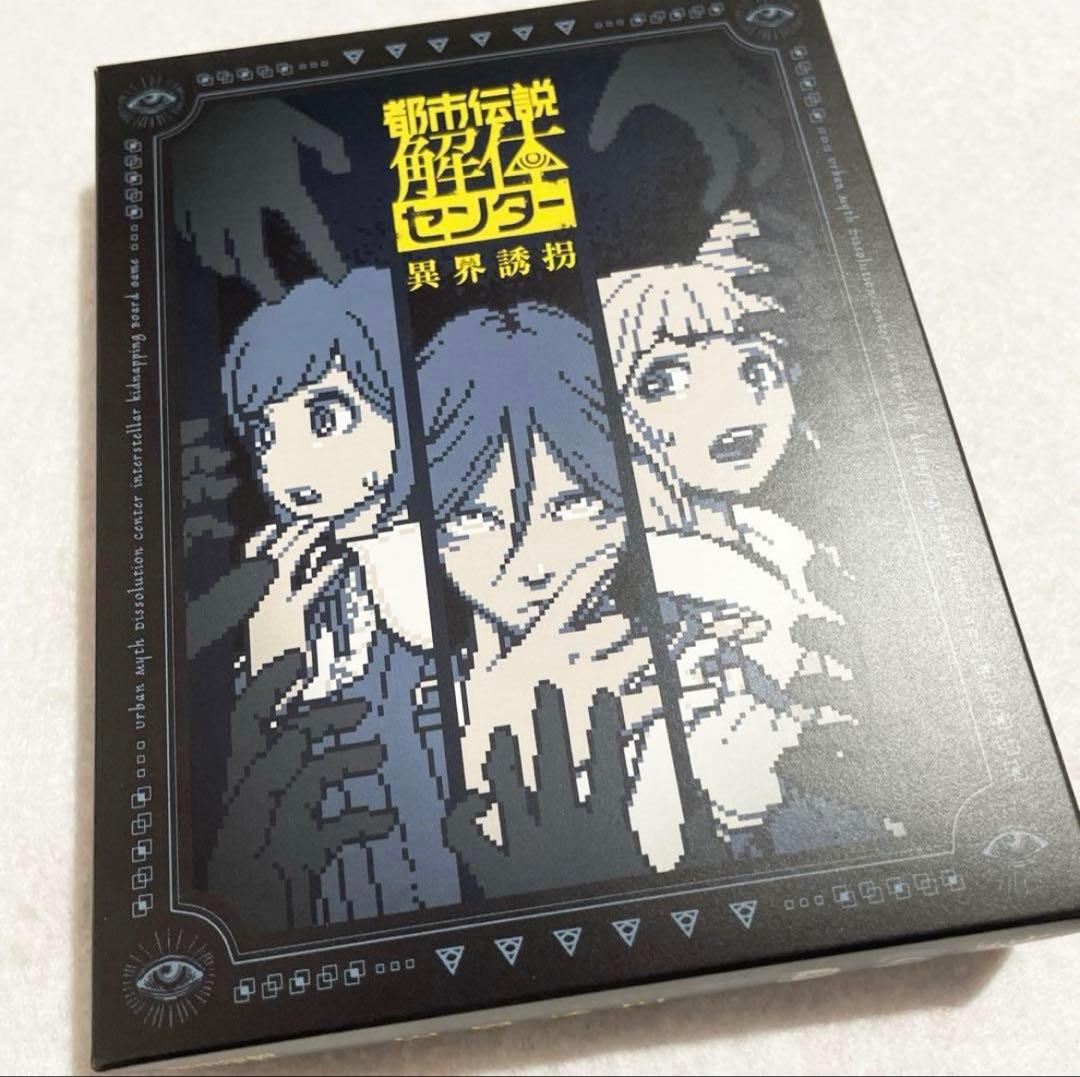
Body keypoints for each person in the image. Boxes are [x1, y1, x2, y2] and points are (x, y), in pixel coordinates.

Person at [207, 267, 460, 932]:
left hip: (433, 828)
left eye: (326, 417)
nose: (284, 468)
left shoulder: (432, 548)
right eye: (265, 435)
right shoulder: (287, 567)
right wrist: (270, 649)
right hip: (332, 856)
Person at [599, 210, 857, 841]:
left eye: (756, 368)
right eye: (665, 380)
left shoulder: (782, 540)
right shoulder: (643, 579)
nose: (732, 403)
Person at [417, 302, 685, 882]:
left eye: (574, 505)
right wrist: (481, 745)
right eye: (475, 519)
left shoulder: (696, 657)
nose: (531, 564)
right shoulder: (411, 712)